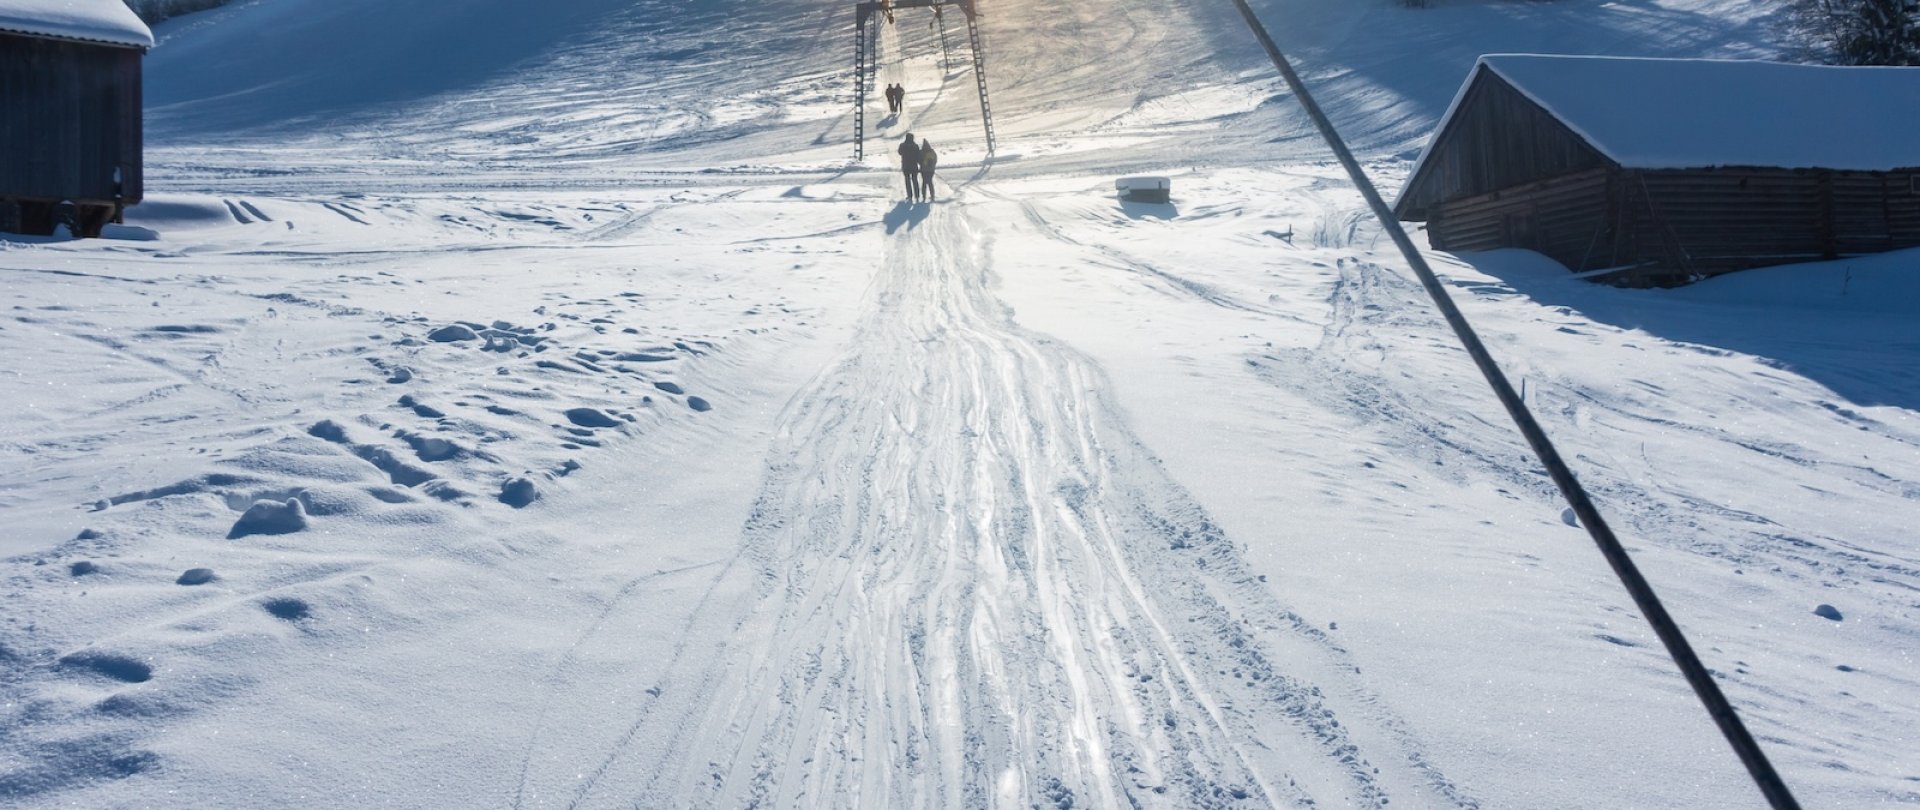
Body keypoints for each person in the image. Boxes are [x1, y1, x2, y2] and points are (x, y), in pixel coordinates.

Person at [897, 133, 921, 201]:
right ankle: (917, 195)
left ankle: (910, 196)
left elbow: (899, 152)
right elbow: (918, 155)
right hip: (914, 166)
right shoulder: (915, 146)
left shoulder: (902, 145)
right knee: (915, 181)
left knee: (907, 182)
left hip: (906, 166)